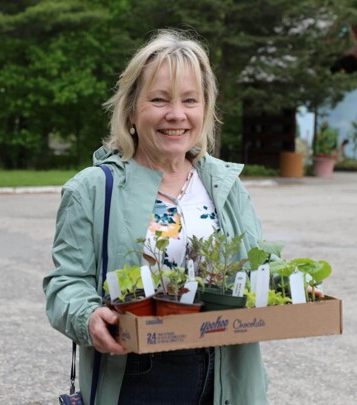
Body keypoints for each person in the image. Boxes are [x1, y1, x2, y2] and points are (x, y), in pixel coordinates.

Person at [43, 29, 268, 404]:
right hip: (141, 372)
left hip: (228, 367)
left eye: (190, 100)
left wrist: (291, 287)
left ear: (205, 109)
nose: (176, 115)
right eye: (159, 100)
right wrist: (88, 317)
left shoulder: (225, 184)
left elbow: (259, 262)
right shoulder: (92, 190)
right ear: (131, 110)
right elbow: (65, 283)